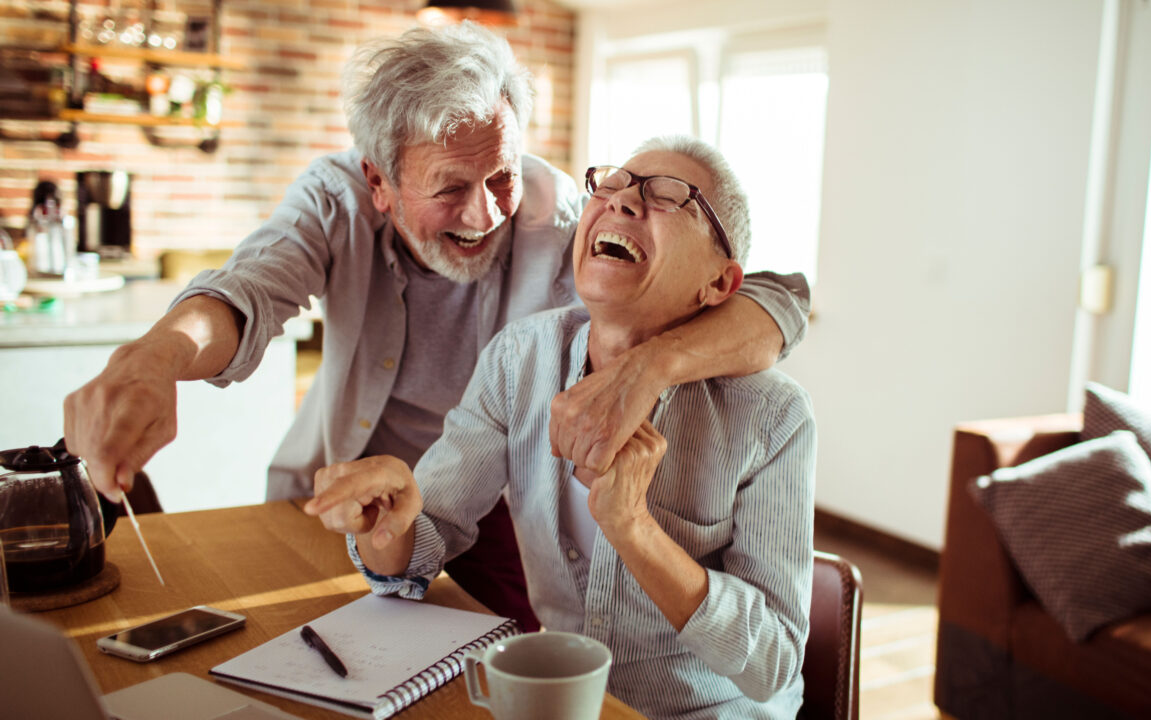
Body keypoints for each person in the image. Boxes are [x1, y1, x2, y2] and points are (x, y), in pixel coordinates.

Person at [61, 23, 808, 633]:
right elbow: (248, 291)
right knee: (308, 643)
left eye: (501, 176)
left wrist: (648, 369)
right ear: (379, 183)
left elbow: (776, 298)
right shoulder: (337, 201)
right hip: (359, 505)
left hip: (503, 518)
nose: (485, 214)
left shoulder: (568, 213)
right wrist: (157, 356)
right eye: (449, 187)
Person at [307, 136, 816, 719]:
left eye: (671, 197)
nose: (623, 202)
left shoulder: (773, 415)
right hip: (562, 703)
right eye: (615, 184)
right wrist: (388, 522)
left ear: (721, 285)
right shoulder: (519, 358)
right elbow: (427, 540)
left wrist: (633, 529)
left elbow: (773, 662)